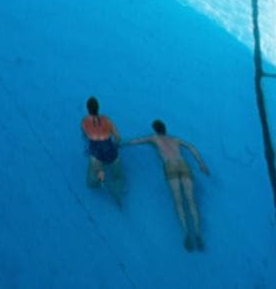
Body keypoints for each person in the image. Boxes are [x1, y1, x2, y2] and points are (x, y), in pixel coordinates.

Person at [125, 120, 209, 250]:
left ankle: (186, 233)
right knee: (191, 201)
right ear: (165, 129)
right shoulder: (175, 139)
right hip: (183, 165)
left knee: (178, 201)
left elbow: (137, 141)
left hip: (170, 167)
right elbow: (192, 147)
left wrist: (122, 144)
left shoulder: (154, 138)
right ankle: (197, 233)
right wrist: (201, 164)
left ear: (155, 130)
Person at [81, 98, 123, 196]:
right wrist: (116, 146)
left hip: (96, 152)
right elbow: (118, 138)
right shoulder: (107, 120)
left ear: (87, 109)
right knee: (118, 177)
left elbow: (85, 137)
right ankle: (117, 193)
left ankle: (100, 175)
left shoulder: (84, 122)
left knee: (90, 183)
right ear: (98, 108)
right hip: (110, 150)